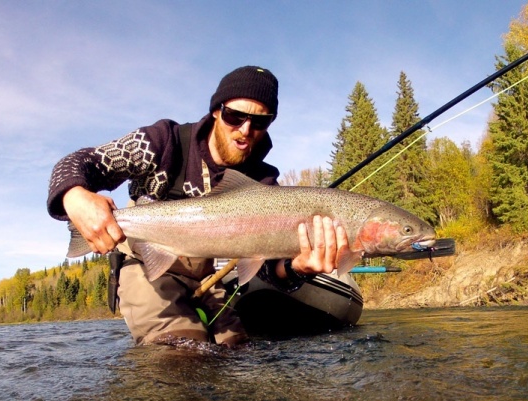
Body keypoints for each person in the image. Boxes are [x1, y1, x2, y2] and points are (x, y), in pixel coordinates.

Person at [47, 65, 349, 347]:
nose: (245, 130)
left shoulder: (263, 181)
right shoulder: (164, 142)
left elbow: (269, 270)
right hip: (146, 265)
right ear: (216, 111)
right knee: (184, 357)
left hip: (209, 278)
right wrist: (74, 196)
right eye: (234, 116)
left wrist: (298, 268)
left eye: (259, 121)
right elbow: (80, 162)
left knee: (238, 358)